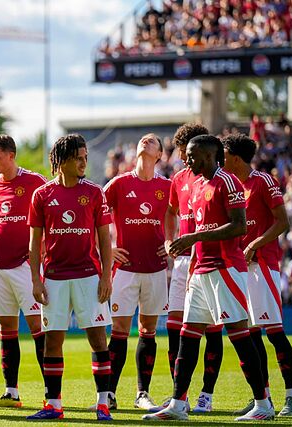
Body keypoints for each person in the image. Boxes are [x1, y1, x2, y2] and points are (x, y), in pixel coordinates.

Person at [144, 135, 273, 422]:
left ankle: (263, 403)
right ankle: (178, 404)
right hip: (200, 270)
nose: (187, 160)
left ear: (208, 155)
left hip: (226, 268)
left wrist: (195, 236)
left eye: (191, 155)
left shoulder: (227, 182)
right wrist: (187, 242)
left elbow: (239, 226)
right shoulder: (195, 185)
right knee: (188, 339)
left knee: (239, 334)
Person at [26, 134, 113, 421]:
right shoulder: (42, 195)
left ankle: (103, 404)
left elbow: (104, 239)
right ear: (62, 161)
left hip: (89, 276)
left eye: (86, 157)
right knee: (53, 342)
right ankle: (54, 405)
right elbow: (34, 243)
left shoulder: (95, 192)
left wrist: (106, 277)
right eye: (79, 158)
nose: (84, 162)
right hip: (54, 278)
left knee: (98, 339)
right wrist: (36, 280)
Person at [222, 133, 292, 417]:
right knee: (252, 335)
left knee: (275, 333)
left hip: (263, 266)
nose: (220, 158)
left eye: (223, 153)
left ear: (233, 155)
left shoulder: (263, 181)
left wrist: (256, 244)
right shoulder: (229, 185)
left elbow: (283, 221)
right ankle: (262, 398)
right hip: (239, 267)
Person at [102, 133, 170, 411]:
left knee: (148, 330)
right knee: (118, 330)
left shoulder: (167, 186)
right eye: (143, 139)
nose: (146, 141)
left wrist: (171, 241)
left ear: (160, 155)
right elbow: (96, 216)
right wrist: (107, 249)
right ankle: (109, 393)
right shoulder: (118, 184)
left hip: (155, 269)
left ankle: (142, 393)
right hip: (125, 270)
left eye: (152, 141)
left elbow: (180, 212)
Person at [162, 123, 224, 413]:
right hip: (183, 260)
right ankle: (180, 395)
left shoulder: (213, 179)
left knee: (212, 330)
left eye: (186, 152)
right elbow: (171, 212)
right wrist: (168, 240)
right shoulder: (178, 179)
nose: (183, 158)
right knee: (176, 328)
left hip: (209, 260)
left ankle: (206, 395)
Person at [0, 134, 47, 408]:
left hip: (25, 266)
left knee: (37, 327)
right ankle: (12, 392)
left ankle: (51, 392)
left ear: (11, 155)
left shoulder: (35, 182)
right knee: (6, 328)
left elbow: (50, 215)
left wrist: (41, 251)